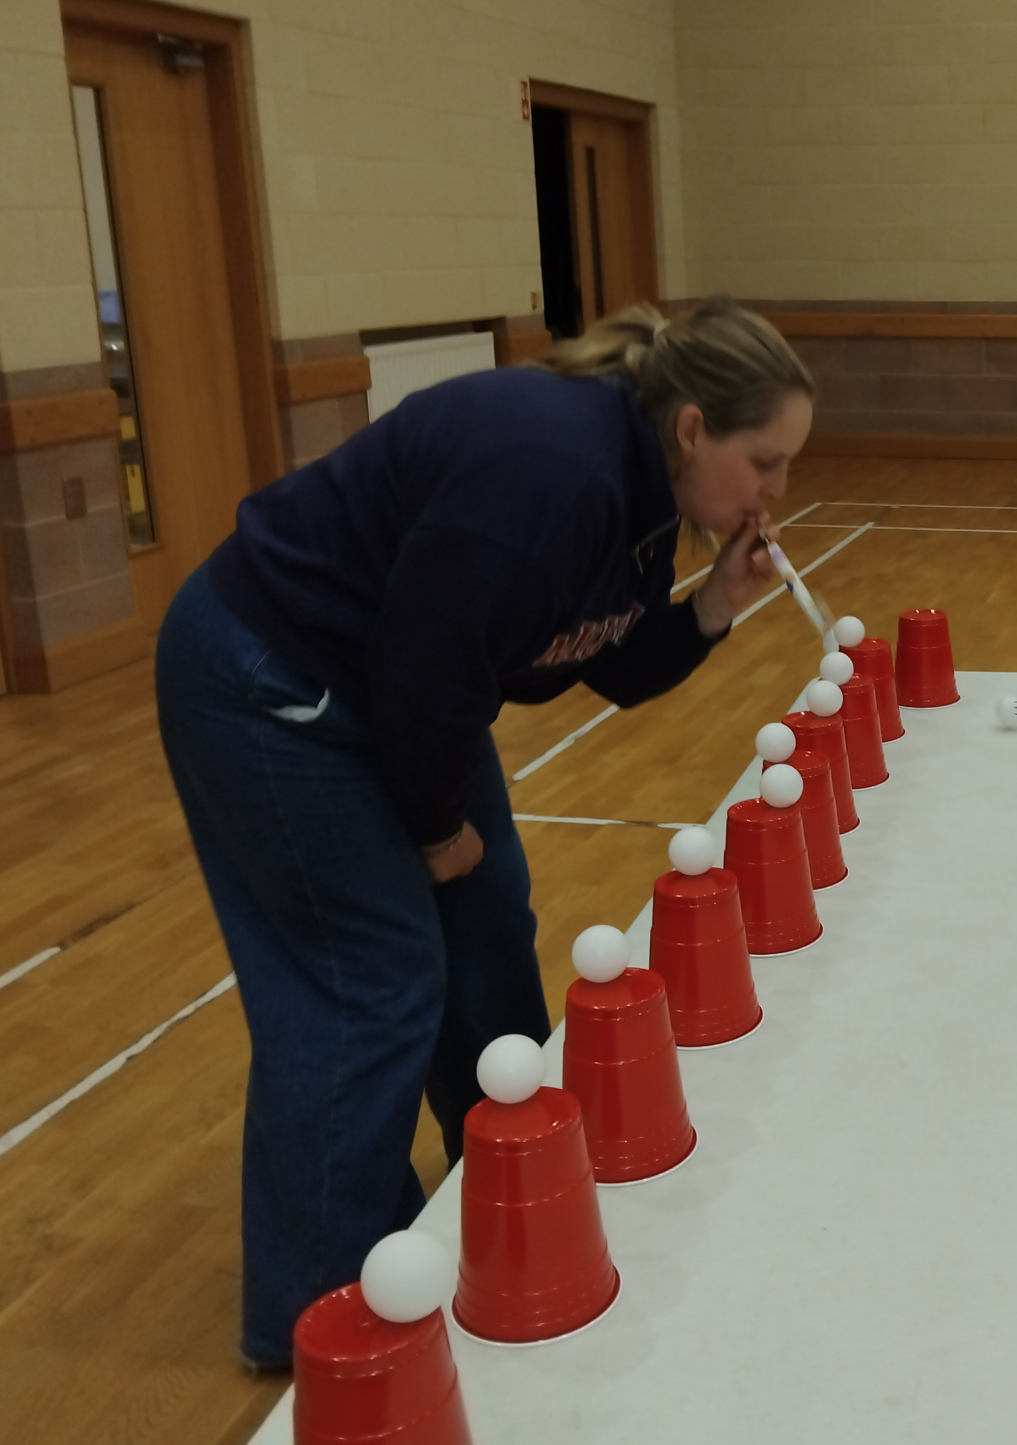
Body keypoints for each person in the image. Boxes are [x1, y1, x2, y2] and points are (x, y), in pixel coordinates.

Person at [156, 297, 814, 1368]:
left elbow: (608, 661)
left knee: (488, 929)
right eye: (766, 462)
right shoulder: (554, 473)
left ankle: (506, 1201)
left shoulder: (646, 491)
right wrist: (433, 832)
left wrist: (713, 605)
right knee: (371, 981)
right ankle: (318, 1317)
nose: (775, 492)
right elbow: (424, 673)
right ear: (694, 427)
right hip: (270, 682)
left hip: (400, 691)